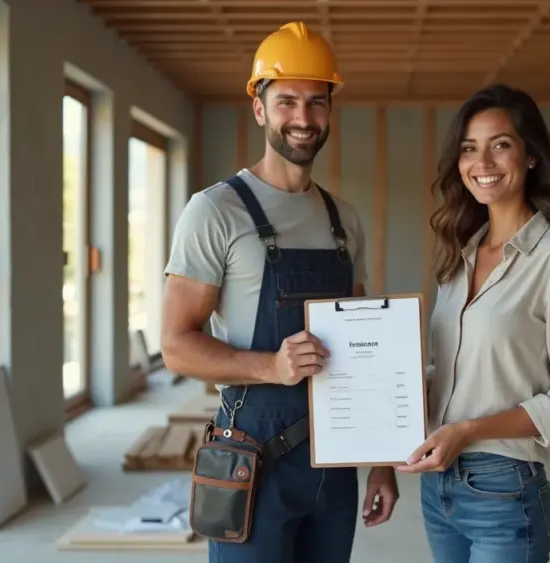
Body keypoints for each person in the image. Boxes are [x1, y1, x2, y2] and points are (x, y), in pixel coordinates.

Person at [160, 21, 399, 563]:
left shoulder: (344, 220)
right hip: (253, 457)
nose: (303, 118)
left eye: (317, 102)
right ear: (259, 108)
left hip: (334, 459)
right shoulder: (215, 211)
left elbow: (367, 352)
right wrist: (272, 367)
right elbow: (176, 344)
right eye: (287, 100)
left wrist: (383, 458)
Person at [397, 84, 550, 563]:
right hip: (437, 484)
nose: (482, 162)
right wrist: (398, 395)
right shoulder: (459, 255)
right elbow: (453, 372)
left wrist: (468, 429)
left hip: (504, 489)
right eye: (469, 148)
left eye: (500, 145)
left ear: (531, 156)